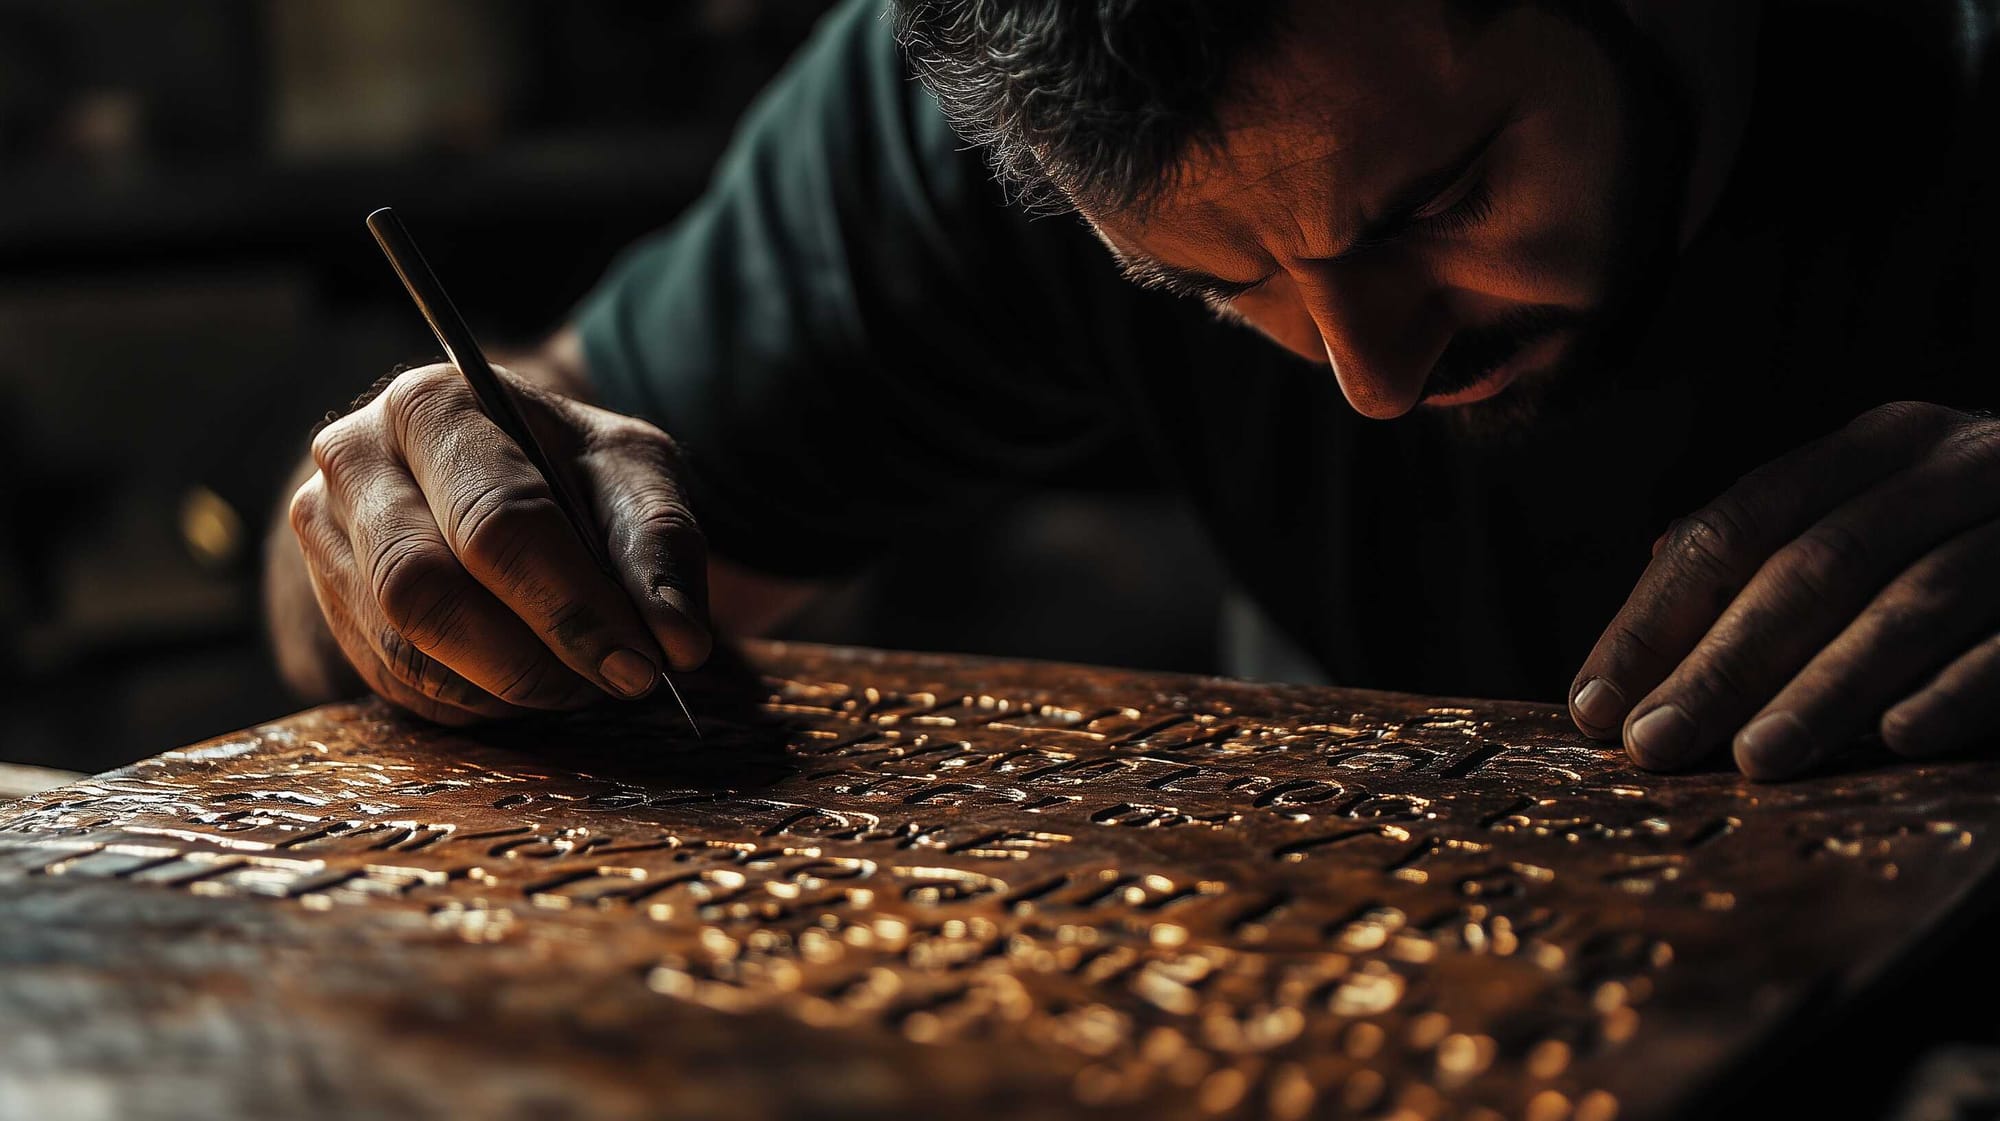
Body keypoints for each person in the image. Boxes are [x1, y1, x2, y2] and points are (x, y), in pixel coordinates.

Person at [265, 0, 2000, 781]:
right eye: (1213, 282)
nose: (1374, 375)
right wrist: (419, 525)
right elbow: (419, 533)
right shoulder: (978, 97)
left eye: (1441, 199)